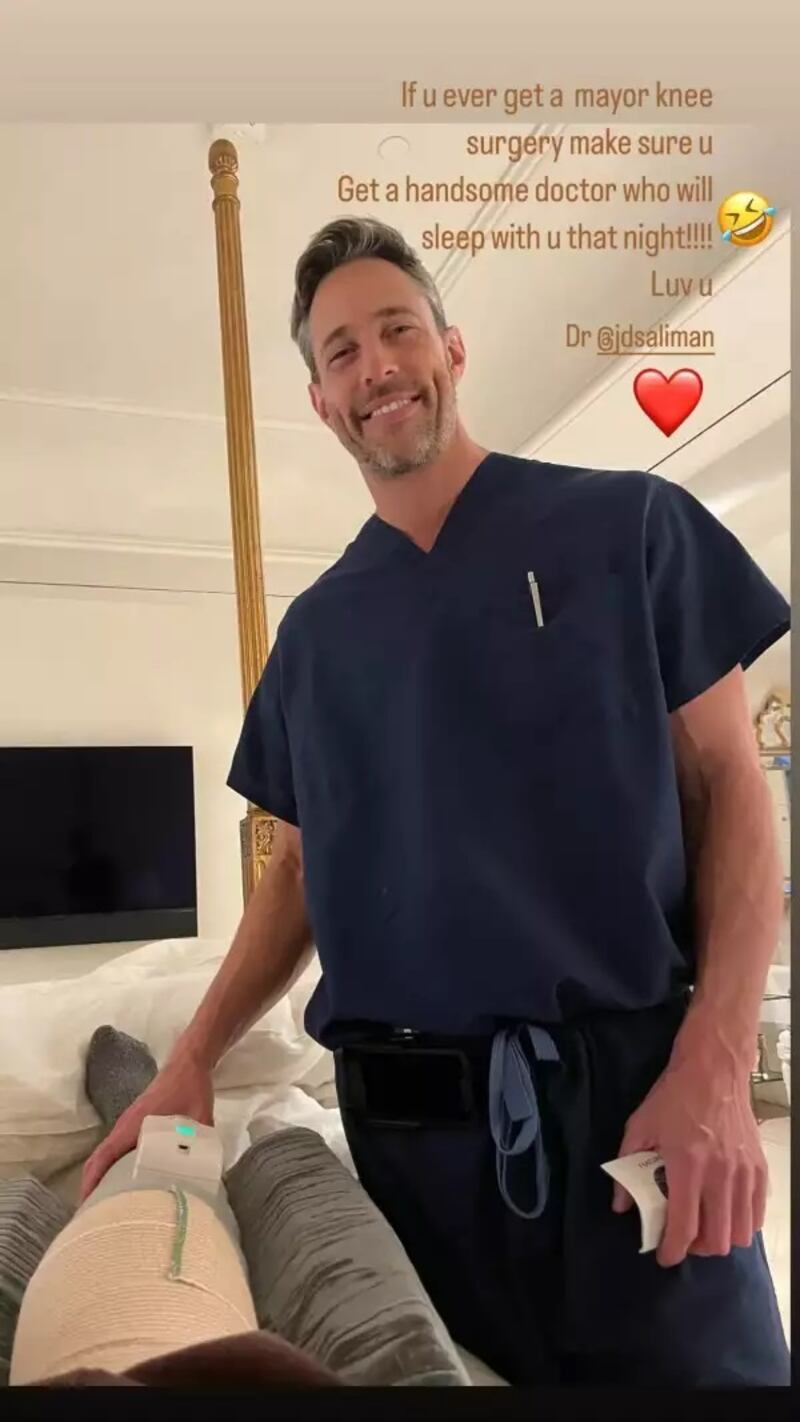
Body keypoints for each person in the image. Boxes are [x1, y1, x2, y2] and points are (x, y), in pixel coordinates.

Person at [81, 217, 790, 1386]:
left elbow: (732, 787)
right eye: (342, 351)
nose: (376, 366)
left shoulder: (627, 528)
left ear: (451, 350)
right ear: (320, 402)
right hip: (414, 1161)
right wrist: (192, 1055)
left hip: (636, 1117)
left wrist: (714, 1063)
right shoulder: (315, 641)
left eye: (397, 330)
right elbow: (298, 870)